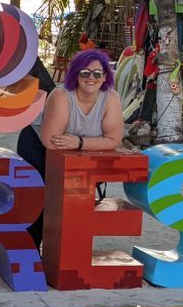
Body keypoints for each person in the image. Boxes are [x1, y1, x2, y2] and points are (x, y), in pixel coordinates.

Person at [15, 49, 124, 248]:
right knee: (41, 197)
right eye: (85, 73)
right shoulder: (61, 95)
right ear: (75, 74)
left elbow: (113, 140)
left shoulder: (111, 98)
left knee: (77, 201)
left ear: (105, 77)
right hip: (37, 145)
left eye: (97, 73)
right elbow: (52, 141)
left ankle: (63, 254)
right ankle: (28, 252)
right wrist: (90, 143)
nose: (91, 78)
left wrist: (79, 143)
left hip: (78, 150)